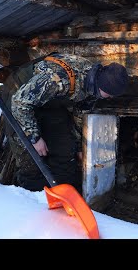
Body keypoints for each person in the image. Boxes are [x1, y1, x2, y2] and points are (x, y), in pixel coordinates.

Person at [8, 53, 129, 193]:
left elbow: (79, 115)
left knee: (66, 151)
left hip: (50, 103)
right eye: (109, 93)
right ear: (101, 85)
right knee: (30, 157)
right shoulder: (58, 79)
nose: (110, 97)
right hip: (19, 96)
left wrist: (78, 147)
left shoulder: (93, 87)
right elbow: (20, 103)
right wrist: (34, 138)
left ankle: (61, 192)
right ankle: (30, 198)